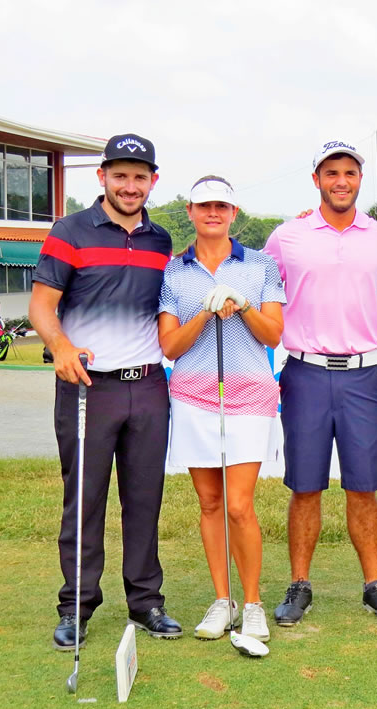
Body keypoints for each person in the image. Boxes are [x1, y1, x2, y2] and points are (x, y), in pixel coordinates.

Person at [29, 133, 182, 650]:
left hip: (149, 385)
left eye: (139, 177)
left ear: (153, 181)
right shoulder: (70, 231)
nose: (129, 186)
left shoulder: (161, 241)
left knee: (145, 499)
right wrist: (60, 346)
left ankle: (146, 602)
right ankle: (76, 607)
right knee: (85, 499)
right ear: (102, 177)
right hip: (87, 387)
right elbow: (41, 305)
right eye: (120, 176)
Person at [263, 140, 377, 627]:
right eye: (331, 173)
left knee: (363, 487)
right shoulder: (288, 236)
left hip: (363, 376)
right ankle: (299, 585)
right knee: (305, 486)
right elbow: (257, 283)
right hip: (304, 371)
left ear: (359, 179)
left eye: (349, 172)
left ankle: (375, 586)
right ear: (317, 180)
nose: (341, 181)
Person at [158, 176, 285, 644]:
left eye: (221, 206)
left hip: (249, 393)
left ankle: (251, 603)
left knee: (238, 505)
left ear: (233, 214)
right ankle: (222, 598)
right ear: (190, 211)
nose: (213, 213)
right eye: (204, 205)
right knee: (210, 503)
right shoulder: (174, 271)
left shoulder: (261, 264)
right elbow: (170, 346)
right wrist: (205, 313)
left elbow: (273, 334)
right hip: (193, 395)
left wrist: (243, 304)